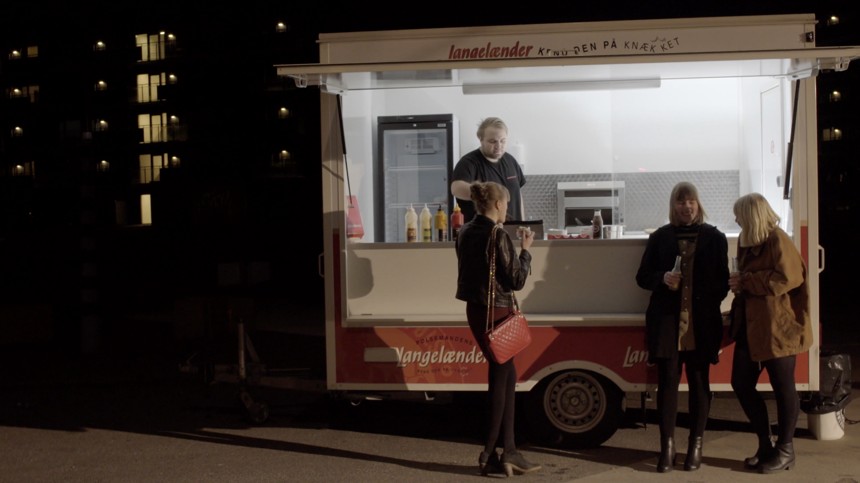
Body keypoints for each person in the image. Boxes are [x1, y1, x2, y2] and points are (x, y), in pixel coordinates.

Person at [635, 181, 729, 473]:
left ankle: (695, 447)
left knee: (700, 383)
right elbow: (642, 277)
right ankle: (667, 448)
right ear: (673, 206)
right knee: (667, 385)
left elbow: (722, 283)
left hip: (702, 324)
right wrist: (663, 278)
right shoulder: (660, 237)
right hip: (666, 323)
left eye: (691, 201)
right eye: (680, 202)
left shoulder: (715, 238)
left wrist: (702, 293)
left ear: (698, 204)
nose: (686, 207)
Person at [454, 181, 540, 477]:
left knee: (507, 376)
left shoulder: (465, 231)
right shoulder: (497, 234)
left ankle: (510, 450)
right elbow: (516, 280)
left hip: (476, 310)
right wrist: (525, 251)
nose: (508, 209)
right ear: (499, 204)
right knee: (500, 381)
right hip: (498, 312)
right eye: (507, 204)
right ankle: (489, 454)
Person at [729, 193, 811, 474]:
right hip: (752, 326)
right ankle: (766, 445)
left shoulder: (777, 239)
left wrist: (748, 281)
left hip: (778, 327)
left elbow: (789, 278)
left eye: (739, 214)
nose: (736, 219)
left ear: (751, 216)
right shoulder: (747, 241)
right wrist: (739, 285)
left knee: (783, 387)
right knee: (741, 383)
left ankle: (785, 450)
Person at [451, 117, 526, 223]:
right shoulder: (468, 162)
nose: (498, 146)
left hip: (513, 230)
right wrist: (487, 192)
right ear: (481, 139)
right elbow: (456, 188)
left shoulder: (511, 161)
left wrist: (523, 223)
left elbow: (518, 196)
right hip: (482, 231)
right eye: (492, 141)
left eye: (503, 141)